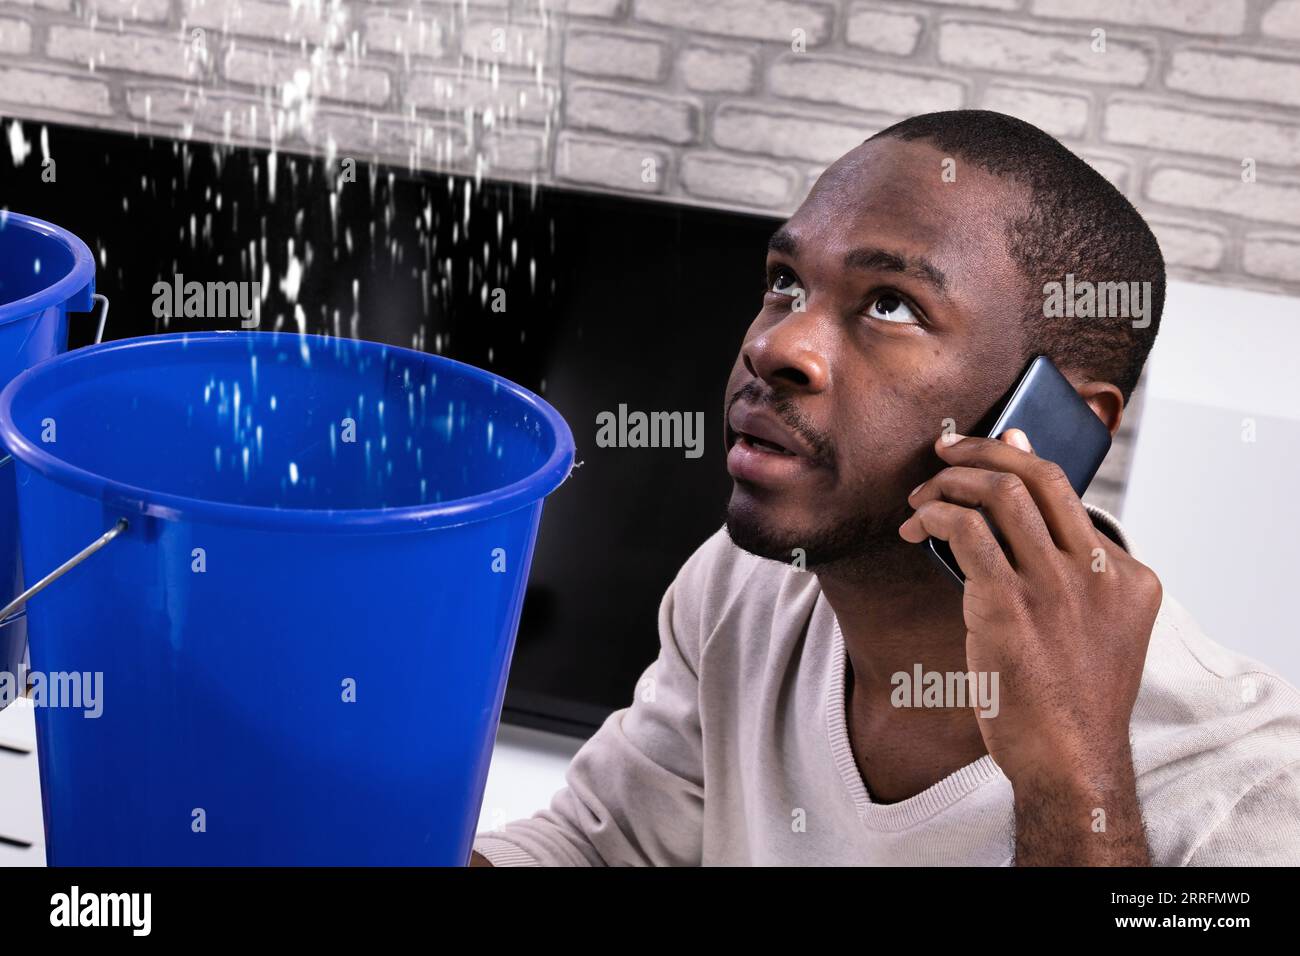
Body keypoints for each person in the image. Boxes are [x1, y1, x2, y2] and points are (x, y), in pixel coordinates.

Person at [470, 110, 1300, 866]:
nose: (776, 345)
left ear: (1054, 423)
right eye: (786, 281)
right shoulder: (744, 585)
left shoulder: (1257, 797)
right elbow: (600, 845)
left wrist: (1075, 781)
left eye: (893, 304)